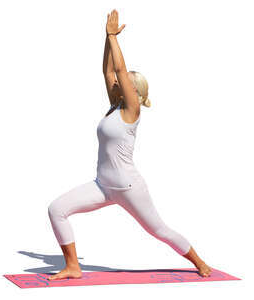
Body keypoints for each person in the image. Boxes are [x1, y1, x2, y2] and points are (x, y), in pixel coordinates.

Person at [47, 9, 212, 281]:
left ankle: (200, 262)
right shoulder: (114, 108)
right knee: (56, 209)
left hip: (128, 186)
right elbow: (108, 69)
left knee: (158, 230)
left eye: (121, 83)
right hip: (103, 185)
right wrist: (105, 37)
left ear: (132, 91)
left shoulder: (132, 110)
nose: (115, 83)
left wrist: (114, 37)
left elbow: (120, 69)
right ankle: (73, 266)